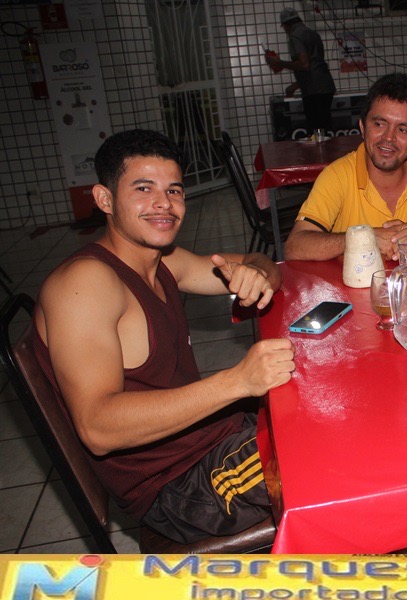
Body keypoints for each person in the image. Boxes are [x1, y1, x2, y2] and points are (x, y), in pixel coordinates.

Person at [32, 129, 296, 544]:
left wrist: (257, 274)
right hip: (180, 486)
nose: (164, 203)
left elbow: (260, 258)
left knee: (323, 404)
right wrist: (237, 381)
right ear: (104, 199)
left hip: (214, 435)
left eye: (174, 190)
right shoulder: (84, 284)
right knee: (326, 451)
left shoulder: (164, 262)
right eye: (143, 188)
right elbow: (97, 428)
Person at [284, 73, 407, 262]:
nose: (388, 137)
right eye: (379, 124)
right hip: (353, 281)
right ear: (363, 127)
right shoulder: (338, 175)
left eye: (403, 130)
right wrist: (361, 238)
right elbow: (295, 246)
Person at [267, 7, 336, 133]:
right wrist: (296, 85)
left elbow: (304, 65)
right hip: (326, 86)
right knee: (325, 129)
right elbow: (315, 66)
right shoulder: (313, 34)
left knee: (315, 131)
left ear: (286, 25)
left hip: (314, 91)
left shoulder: (295, 36)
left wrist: (279, 62)